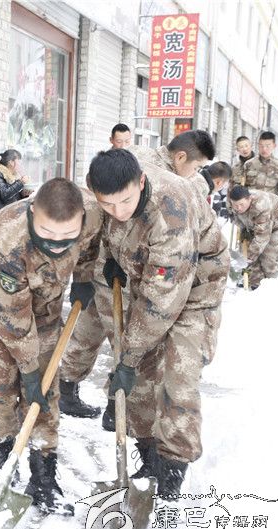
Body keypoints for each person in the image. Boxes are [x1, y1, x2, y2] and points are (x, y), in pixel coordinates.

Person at [87, 149, 228, 500]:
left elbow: (162, 300)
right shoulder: (106, 196)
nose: (118, 212)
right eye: (108, 205)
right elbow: (102, 241)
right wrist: (109, 260)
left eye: (125, 202)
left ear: (141, 182)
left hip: (195, 288)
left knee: (178, 379)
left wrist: (128, 357)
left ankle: (170, 480)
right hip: (143, 275)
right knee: (138, 374)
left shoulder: (171, 212)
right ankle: (149, 458)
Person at [59, 131, 216, 429]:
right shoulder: (158, 181)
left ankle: (70, 386)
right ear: (181, 157)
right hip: (116, 267)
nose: (194, 174)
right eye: (195, 168)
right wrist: (85, 272)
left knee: (92, 328)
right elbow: (155, 306)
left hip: (121, 263)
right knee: (124, 335)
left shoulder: (136, 157)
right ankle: (115, 404)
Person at [0, 178, 102, 513]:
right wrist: (28, 370)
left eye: (66, 235)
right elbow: (12, 318)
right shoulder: (10, 241)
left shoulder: (91, 213)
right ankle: (5, 461)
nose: (57, 243)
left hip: (46, 309)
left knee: (44, 393)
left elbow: (93, 243)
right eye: (47, 233)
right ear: (32, 215)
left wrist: (84, 277)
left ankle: (43, 478)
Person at [243, 131, 278, 256]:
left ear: (274, 146)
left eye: (267, 146)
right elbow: (241, 190)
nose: (264, 149)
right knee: (248, 253)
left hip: (270, 217)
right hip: (250, 217)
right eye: (261, 145)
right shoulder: (249, 165)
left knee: (268, 255)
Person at [227, 185, 278, 290]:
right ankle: (255, 281)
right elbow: (237, 218)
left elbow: (262, 237)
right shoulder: (233, 204)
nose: (238, 208)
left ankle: (271, 283)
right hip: (254, 225)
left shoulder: (261, 206)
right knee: (248, 251)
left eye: (241, 205)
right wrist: (244, 231)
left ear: (249, 199)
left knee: (268, 256)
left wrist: (248, 257)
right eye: (235, 205)